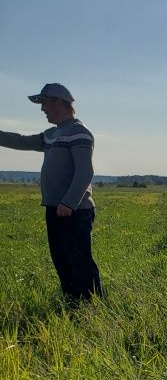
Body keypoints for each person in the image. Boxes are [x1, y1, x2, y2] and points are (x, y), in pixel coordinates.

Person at [0, 82, 102, 303]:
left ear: (58, 102)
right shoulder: (51, 134)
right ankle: (72, 302)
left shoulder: (79, 132)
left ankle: (92, 306)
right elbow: (21, 140)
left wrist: (69, 203)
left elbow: (85, 172)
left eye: (44, 103)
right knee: (61, 260)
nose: (42, 109)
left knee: (78, 260)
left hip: (74, 210)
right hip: (55, 208)